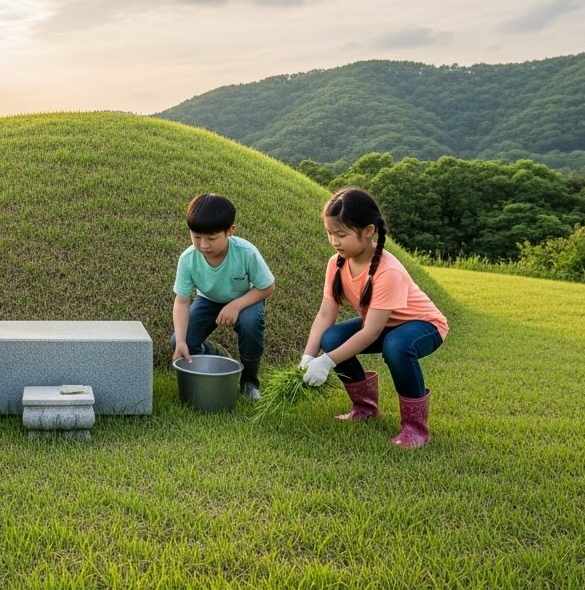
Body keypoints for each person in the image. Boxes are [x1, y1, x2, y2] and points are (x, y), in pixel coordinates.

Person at [299, 187, 449, 448]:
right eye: (330, 233)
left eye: (341, 234)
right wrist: (309, 357)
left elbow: (370, 331)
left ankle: (415, 428)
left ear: (368, 231)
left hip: (424, 325)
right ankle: (365, 408)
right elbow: (326, 314)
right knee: (331, 338)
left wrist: (327, 362)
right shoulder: (336, 263)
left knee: (397, 347)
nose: (334, 241)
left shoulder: (387, 271)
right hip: (384, 325)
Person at [169, 193, 277, 400]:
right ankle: (216, 355)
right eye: (196, 236)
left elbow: (267, 287)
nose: (203, 245)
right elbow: (182, 301)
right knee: (179, 340)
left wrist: (236, 305)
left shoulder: (246, 253)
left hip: (246, 298)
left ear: (230, 231)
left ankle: (249, 381)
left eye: (211, 238)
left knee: (250, 323)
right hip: (208, 300)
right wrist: (182, 340)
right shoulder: (188, 259)